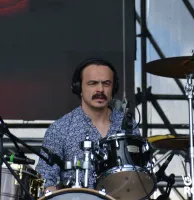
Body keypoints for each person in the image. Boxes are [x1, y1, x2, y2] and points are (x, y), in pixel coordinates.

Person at [36, 58, 140, 194]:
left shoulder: (128, 125)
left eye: (106, 84)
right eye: (93, 83)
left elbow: (139, 178)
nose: (100, 90)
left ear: (114, 88)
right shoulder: (60, 128)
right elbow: (44, 180)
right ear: (79, 88)